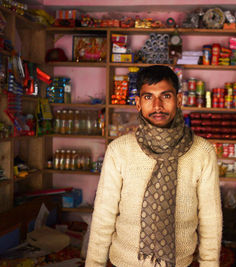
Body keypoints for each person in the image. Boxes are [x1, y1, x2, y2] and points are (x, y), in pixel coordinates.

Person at [85, 65, 222, 267]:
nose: (157, 105)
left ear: (179, 100)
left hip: (179, 263)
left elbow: (211, 219)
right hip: (123, 262)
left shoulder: (202, 152)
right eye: (148, 97)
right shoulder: (119, 150)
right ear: (138, 103)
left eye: (166, 96)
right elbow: (104, 215)